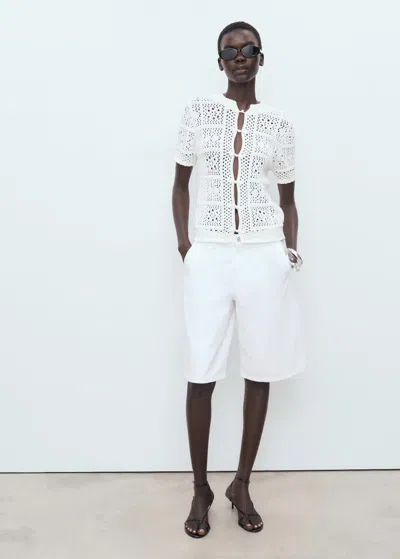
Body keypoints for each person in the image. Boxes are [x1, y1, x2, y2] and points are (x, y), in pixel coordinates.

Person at [172, 21, 306, 539]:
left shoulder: (279, 124)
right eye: (231, 51)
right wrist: (187, 248)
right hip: (208, 254)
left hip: (263, 254)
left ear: (261, 58)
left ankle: (241, 484)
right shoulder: (198, 113)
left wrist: (288, 253)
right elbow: (180, 185)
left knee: (259, 368)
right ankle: (201, 489)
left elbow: (289, 200)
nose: (241, 57)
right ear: (220, 61)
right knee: (200, 372)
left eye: (249, 49)